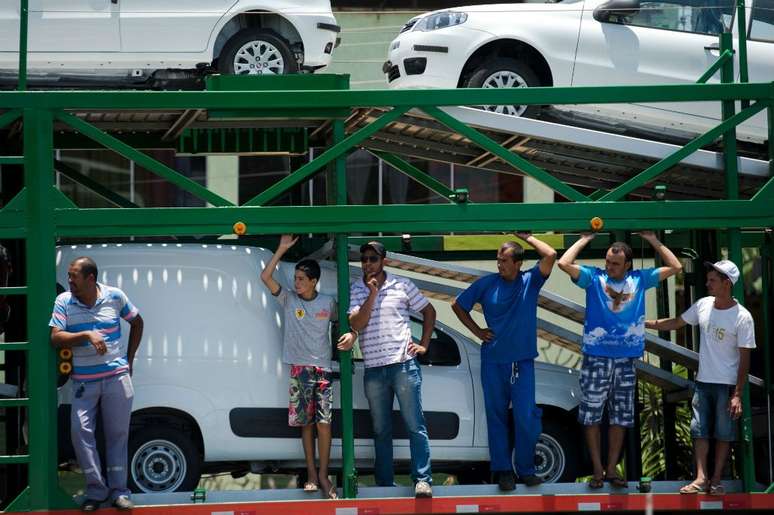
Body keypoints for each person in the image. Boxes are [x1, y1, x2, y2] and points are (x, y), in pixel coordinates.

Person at [557, 231, 681, 489]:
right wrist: (584, 240)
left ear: (628, 265)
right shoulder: (594, 277)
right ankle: (597, 471)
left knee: (621, 417)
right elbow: (563, 263)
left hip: (626, 361)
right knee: (591, 416)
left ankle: (611, 469)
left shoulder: (640, 279)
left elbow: (676, 266)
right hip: (596, 357)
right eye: (607, 261)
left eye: (615, 263)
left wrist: (652, 240)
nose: (609, 267)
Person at [451, 232, 556, 491]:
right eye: (498, 260)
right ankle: (503, 471)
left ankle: (526, 469)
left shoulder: (530, 281)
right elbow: (458, 305)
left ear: (518, 263)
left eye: (505, 261)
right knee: (496, 417)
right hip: (493, 361)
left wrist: (528, 237)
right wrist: (477, 332)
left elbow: (551, 255)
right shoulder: (487, 284)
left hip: (522, 362)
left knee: (526, 418)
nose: (500, 265)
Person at [646, 260, 755, 495]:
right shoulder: (703, 305)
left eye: (712, 280)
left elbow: (745, 358)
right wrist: (645, 324)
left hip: (726, 386)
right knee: (699, 430)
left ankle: (716, 480)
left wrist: (737, 394)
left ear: (727, 283)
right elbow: (676, 323)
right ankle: (701, 478)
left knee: (723, 433)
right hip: (703, 382)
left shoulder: (742, 317)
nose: (707, 284)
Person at [339, 240, 436, 498]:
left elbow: (429, 311)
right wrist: (372, 295)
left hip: (403, 365)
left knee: (415, 425)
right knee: (381, 429)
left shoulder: (402, 284)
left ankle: (423, 480)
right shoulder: (356, 289)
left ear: (384, 261)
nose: (367, 263)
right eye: (364, 259)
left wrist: (424, 344)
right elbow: (356, 322)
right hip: (374, 369)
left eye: (372, 258)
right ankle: (384, 484)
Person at [49, 257, 144, 511]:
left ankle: (119, 492)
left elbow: (137, 321)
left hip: (117, 378)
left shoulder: (114, 296)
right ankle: (96, 490)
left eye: (74, 276)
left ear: (91, 279)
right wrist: (86, 335)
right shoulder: (64, 301)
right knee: (80, 433)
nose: (69, 281)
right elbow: (56, 337)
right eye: (69, 276)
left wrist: (129, 360)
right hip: (84, 383)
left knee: (117, 436)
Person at [260, 235, 338, 499]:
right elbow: (266, 277)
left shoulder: (328, 303)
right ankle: (312, 475)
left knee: (324, 424)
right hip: (300, 370)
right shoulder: (289, 300)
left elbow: (350, 324)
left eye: (301, 279)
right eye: (295, 278)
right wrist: (281, 248)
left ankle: (325, 476)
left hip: (323, 371)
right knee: (306, 425)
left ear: (314, 281)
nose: (296, 283)